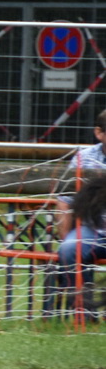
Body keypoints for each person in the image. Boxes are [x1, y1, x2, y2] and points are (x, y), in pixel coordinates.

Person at [47, 109, 106, 317]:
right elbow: (64, 200)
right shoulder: (82, 159)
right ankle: (83, 311)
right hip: (93, 230)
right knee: (70, 249)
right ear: (99, 133)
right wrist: (65, 237)